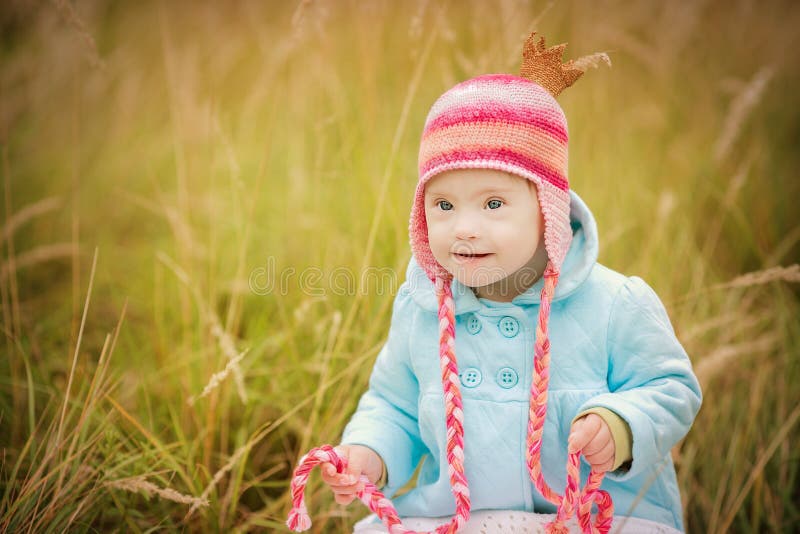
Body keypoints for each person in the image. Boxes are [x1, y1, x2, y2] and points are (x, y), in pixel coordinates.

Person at [320, 34, 702, 533]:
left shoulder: (614, 303)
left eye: (493, 204)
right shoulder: (422, 308)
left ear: (549, 210)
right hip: (458, 518)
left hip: (595, 516)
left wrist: (621, 424)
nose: (464, 227)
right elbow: (393, 405)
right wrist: (369, 453)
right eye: (444, 205)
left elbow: (671, 387)